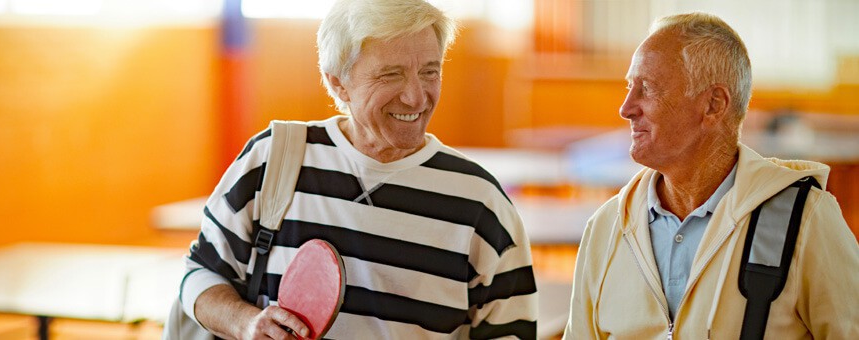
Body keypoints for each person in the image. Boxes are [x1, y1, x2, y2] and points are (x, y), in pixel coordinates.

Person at [177, 0, 538, 339]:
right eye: (390, 75)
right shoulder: (275, 158)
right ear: (338, 82)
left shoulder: (482, 203)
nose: (416, 97)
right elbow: (200, 273)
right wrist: (245, 322)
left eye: (430, 72)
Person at [564, 12, 859, 339]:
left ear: (714, 104)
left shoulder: (806, 220)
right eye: (629, 87)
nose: (626, 107)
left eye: (646, 89)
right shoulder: (606, 228)